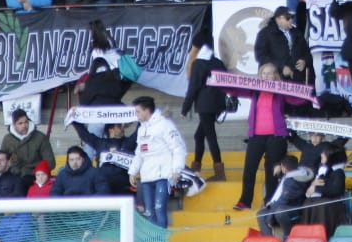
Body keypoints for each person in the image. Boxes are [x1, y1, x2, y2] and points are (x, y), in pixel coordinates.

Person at [227, 63, 306, 212]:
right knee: (249, 168)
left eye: (270, 73)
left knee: (272, 171)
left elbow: (298, 99)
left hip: (276, 137)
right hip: (256, 136)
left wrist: (308, 93)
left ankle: (270, 201)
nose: (266, 76)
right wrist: (221, 84)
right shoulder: (255, 91)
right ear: (260, 75)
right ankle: (245, 201)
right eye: (264, 73)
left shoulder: (281, 91)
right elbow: (236, 90)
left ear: (275, 76)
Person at [128, 95, 186, 228]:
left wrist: (177, 169)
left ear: (147, 110)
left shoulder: (165, 124)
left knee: (160, 209)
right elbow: (139, 152)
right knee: (149, 212)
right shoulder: (141, 129)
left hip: (163, 176)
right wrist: (133, 171)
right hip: (147, 177)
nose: (136, 114)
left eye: (138, 111)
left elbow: (178, 147)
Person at [181, 33, 228, 182]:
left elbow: (193, 87)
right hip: (217, 104)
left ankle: (219, 172)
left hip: (204, 105)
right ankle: (196, 168)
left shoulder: (198, 63)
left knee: (210, 136)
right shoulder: (218, 62)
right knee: (199, 135)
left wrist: (185, 108)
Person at [256, 154, 312, 239]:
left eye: (281, 167)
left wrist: (269, 217)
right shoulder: (294, 175)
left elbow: (283, 200)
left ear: (284, 168)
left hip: (294, 208)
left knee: (279, 212)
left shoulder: (292, 181)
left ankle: (287, 236)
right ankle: (268, 240)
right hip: (283, 205)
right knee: (260, 214)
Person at [0, 108, 56, 180]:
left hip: (36, 177)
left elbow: (50, 163)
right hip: (14, 175)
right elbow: (1, 160)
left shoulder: (40, 137)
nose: (24, 125)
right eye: (20, 123)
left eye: (26, 122)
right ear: (14, 125)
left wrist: (35, 172)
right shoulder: (7, 139)